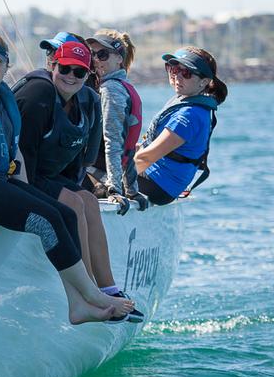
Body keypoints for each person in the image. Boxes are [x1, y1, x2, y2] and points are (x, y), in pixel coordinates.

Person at [0, 24, 134, 324]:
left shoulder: (0, 97)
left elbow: (15, 153)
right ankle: (91, 294)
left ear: (6, 66)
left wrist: (29, 194)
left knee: (62, 213)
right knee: (47, 220)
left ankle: (77, 304)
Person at [14, 35, 143, 323]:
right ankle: (88, 295)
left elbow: (79, 163)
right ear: (53, 66)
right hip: (24, 175)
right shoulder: (37, 96)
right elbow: (23, 159)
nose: (71, 77)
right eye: (65, 69)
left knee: (88, 200)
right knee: (73, 201)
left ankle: (108, 288)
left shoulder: (88, 100)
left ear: (89, 74)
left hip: (48, 175)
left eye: (80, 71)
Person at [134, 46, 228, 204]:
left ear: (204, 81)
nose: (177, 76)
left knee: (89, 175)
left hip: (159, 186)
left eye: (186, 73)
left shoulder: (188, 115)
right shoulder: (186, 100)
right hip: (158, 179)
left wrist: (113, 182)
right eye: (174, 69)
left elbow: (146, 157)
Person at [85, 30, 149, 214]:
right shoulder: (125, 86)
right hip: (117, 175)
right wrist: (132, 191)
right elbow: (126, 148)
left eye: (102, 55)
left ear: (119, 59)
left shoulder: (110, 90)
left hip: (103, 176)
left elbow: (113, 143)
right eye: (93, 55)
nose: (96, 60)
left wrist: (115, 190)